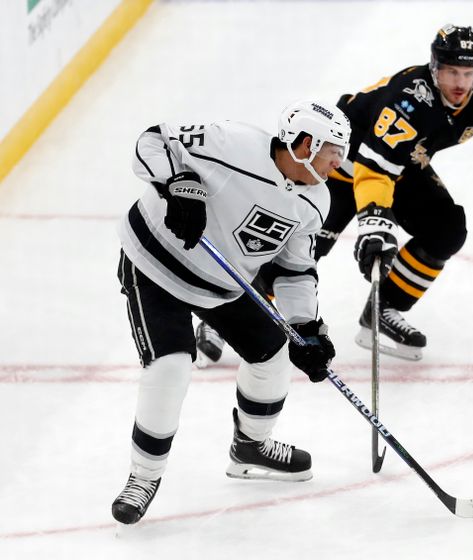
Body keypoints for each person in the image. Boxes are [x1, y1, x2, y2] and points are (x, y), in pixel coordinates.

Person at [195, 23, 473, 363]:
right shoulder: (409, 101)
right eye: (452, 72)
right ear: (435, 67)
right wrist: (376, 219)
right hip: (336, 166)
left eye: (468, 74)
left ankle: (384, 309)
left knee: (446, 229)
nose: (460, 83)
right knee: (299, 253)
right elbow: (373, 170)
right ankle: (225, 318)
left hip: (401, 166)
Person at [111, 100, 351, 525]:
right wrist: (179, 182)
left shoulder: (315, 202)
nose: (339, 161)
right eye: (334, 150)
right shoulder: (231, 143)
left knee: (273, 353)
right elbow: (152, 140)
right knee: (170, 366)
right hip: (156, 264)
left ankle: (250, 446)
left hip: (222, 283)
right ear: (307, 144)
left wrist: (307, 328)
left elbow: (296, 270)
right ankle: (143, 477)